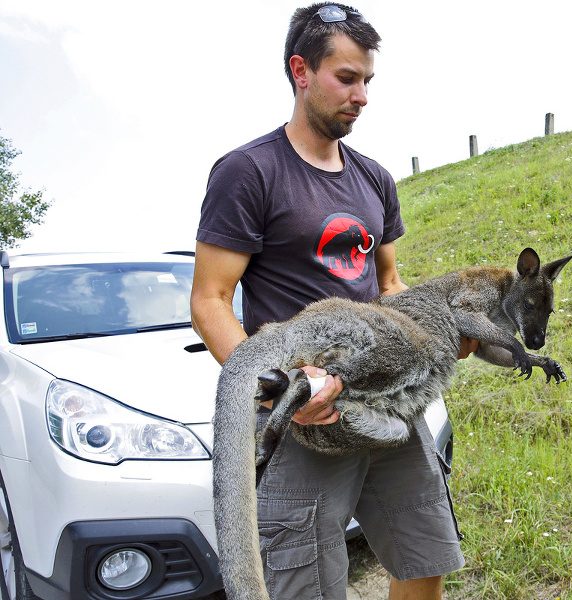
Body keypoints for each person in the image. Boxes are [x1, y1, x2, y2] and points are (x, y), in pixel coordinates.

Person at [190, 4, 468, 599]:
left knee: (422, 556)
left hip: (389, 403)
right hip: (306, 413)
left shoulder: (374, 179)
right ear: (301, 72)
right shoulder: (249, 171)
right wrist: (280, 390)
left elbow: (390, 287)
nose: (362, 95)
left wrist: (445, 331)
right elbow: (211, 300)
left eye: (367, 80)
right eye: (347, 78)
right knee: (306, 583)